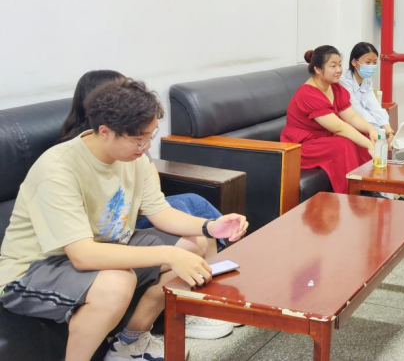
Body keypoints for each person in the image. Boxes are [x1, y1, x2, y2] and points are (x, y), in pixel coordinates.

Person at [0, 80, 248, 361]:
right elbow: (82, 255)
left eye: (150, 137)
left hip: (101, 247)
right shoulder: (57, 169)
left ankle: (130, 343)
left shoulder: (133, 157)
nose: (146, 147)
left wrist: (210, 227)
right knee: (118, 282)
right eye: (139, 140)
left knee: (194, 244)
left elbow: (160, 212)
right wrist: (168, 254)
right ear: (105, 131)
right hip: (34, 269)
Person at [57, 70, 237, 340]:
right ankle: (175, 315)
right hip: (115, 223)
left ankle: (200, 299)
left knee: (196, 214)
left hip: (138, 211)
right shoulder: (75, 154)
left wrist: (210, 226)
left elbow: (152, 192)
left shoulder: (134, 139)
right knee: (189, 210)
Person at [282, 45, 376, 194]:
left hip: (322, 140)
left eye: (340, 65)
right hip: (300, 147)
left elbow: (351, 117)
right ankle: (351, 196)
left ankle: (368, 188)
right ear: (318, 69)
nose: (339, 70)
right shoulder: (308, 94)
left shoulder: (335, 88)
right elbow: (339, 128)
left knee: (362, 134)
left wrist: (371, 130)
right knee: (344, 144)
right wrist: (370, 145)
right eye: (333, 66)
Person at [340, 42, 395, 142]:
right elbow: (357, 112)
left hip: (367, 127)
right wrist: (378, 131)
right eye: (368, 62)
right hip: (351, 126)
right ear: (354, 62)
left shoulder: (366, 81)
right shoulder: (344, 82)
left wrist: (388, 130)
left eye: (375, 62)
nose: (372, 66)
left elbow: (375, 107)